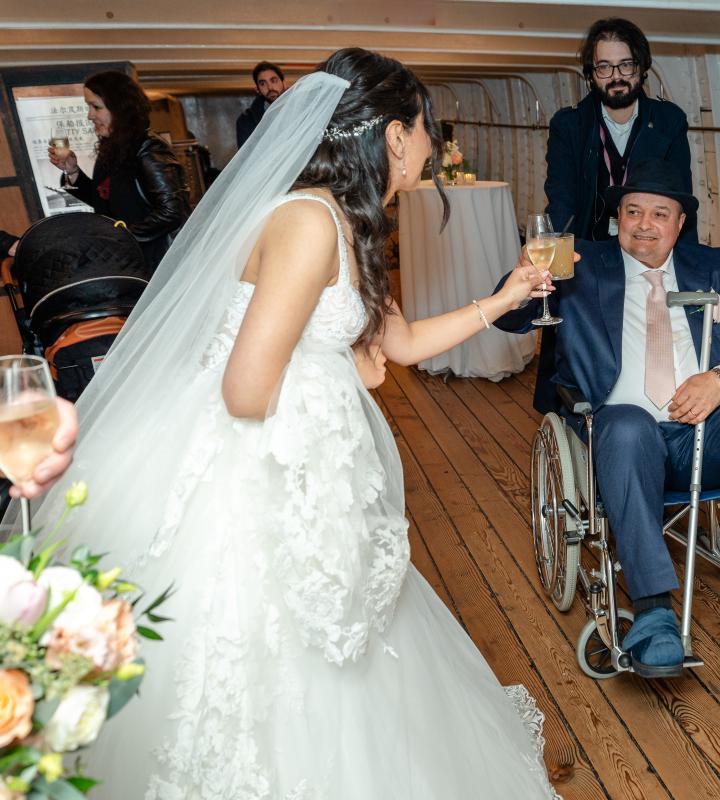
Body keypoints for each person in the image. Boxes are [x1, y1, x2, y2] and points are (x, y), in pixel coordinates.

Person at [22, 48, 560, 797]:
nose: (433, 147)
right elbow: (246, 390)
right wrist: (346, 372)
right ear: (394, 136)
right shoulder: (307, 222)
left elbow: (396, 346)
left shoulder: (347, 222)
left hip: (312, 463)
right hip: (255, 474)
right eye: (426, 128)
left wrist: (503, 302)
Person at [495, 160, 720, 678]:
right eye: (632, 211)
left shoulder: (717, 267)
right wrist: (523, 275)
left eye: (659, 213)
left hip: (709, 434)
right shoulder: (581, 265)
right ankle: (653, 611)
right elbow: (510, 319)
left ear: (680, 222)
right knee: (625, 422)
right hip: (625, 439)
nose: (644, 224)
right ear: (617, 217)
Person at [533, 18, 696, 413]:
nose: (616, 76)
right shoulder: (569, 124)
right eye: (604, 67)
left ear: (641, 68)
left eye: (626, 65)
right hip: (590, 252)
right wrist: (568, 267)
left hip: (648, 251)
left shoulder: (668, 121)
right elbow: (562, 199)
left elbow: (681, 199)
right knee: (582, 342)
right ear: (591, 74)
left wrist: (686, 266)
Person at [45, 71, 189, 272]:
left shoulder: (149, 149)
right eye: (89, 107)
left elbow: (171, 212)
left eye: (96, 107)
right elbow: (104, 201)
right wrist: (72, 172)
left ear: (119, 109)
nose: (89, 115)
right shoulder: (113, 148)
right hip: (131, 260)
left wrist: (121, 236)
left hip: (160, 262)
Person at [236, 61, 287, 147]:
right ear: (257, 89)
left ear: (284, 83)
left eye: (273, 81)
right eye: (263, 83)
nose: (270, 87)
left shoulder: (303, 110)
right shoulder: (246, 121)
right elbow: (247, 157)